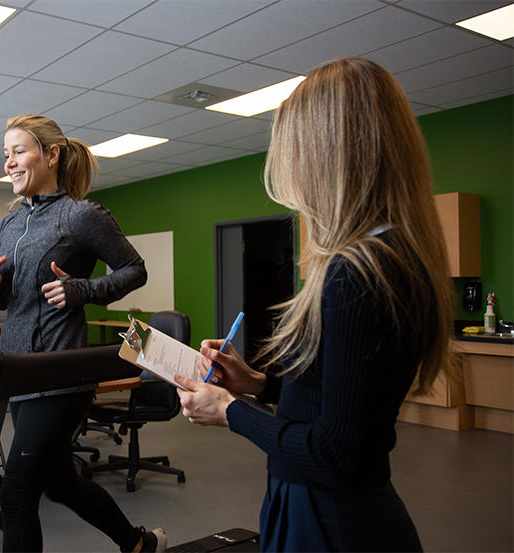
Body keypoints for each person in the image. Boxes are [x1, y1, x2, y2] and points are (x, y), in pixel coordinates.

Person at [175, 58, 453, 552]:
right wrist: (259, 383)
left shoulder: (357, 273)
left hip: (329, 520)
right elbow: (343, 397)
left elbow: (337, 455)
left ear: (327, 153)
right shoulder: (394, 255)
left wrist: (231, 410)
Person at [0, 114, 165, 552]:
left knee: (17, 496)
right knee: (60, 484)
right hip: (19, 373)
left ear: (51, 154)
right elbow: (10, 302)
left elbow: (135, 270)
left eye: (18, 151)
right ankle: (138, 544)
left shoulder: (80, 215)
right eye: (6, 154)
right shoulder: (10, 224)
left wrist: (83, 290)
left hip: (59, 375)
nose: (9, 162)